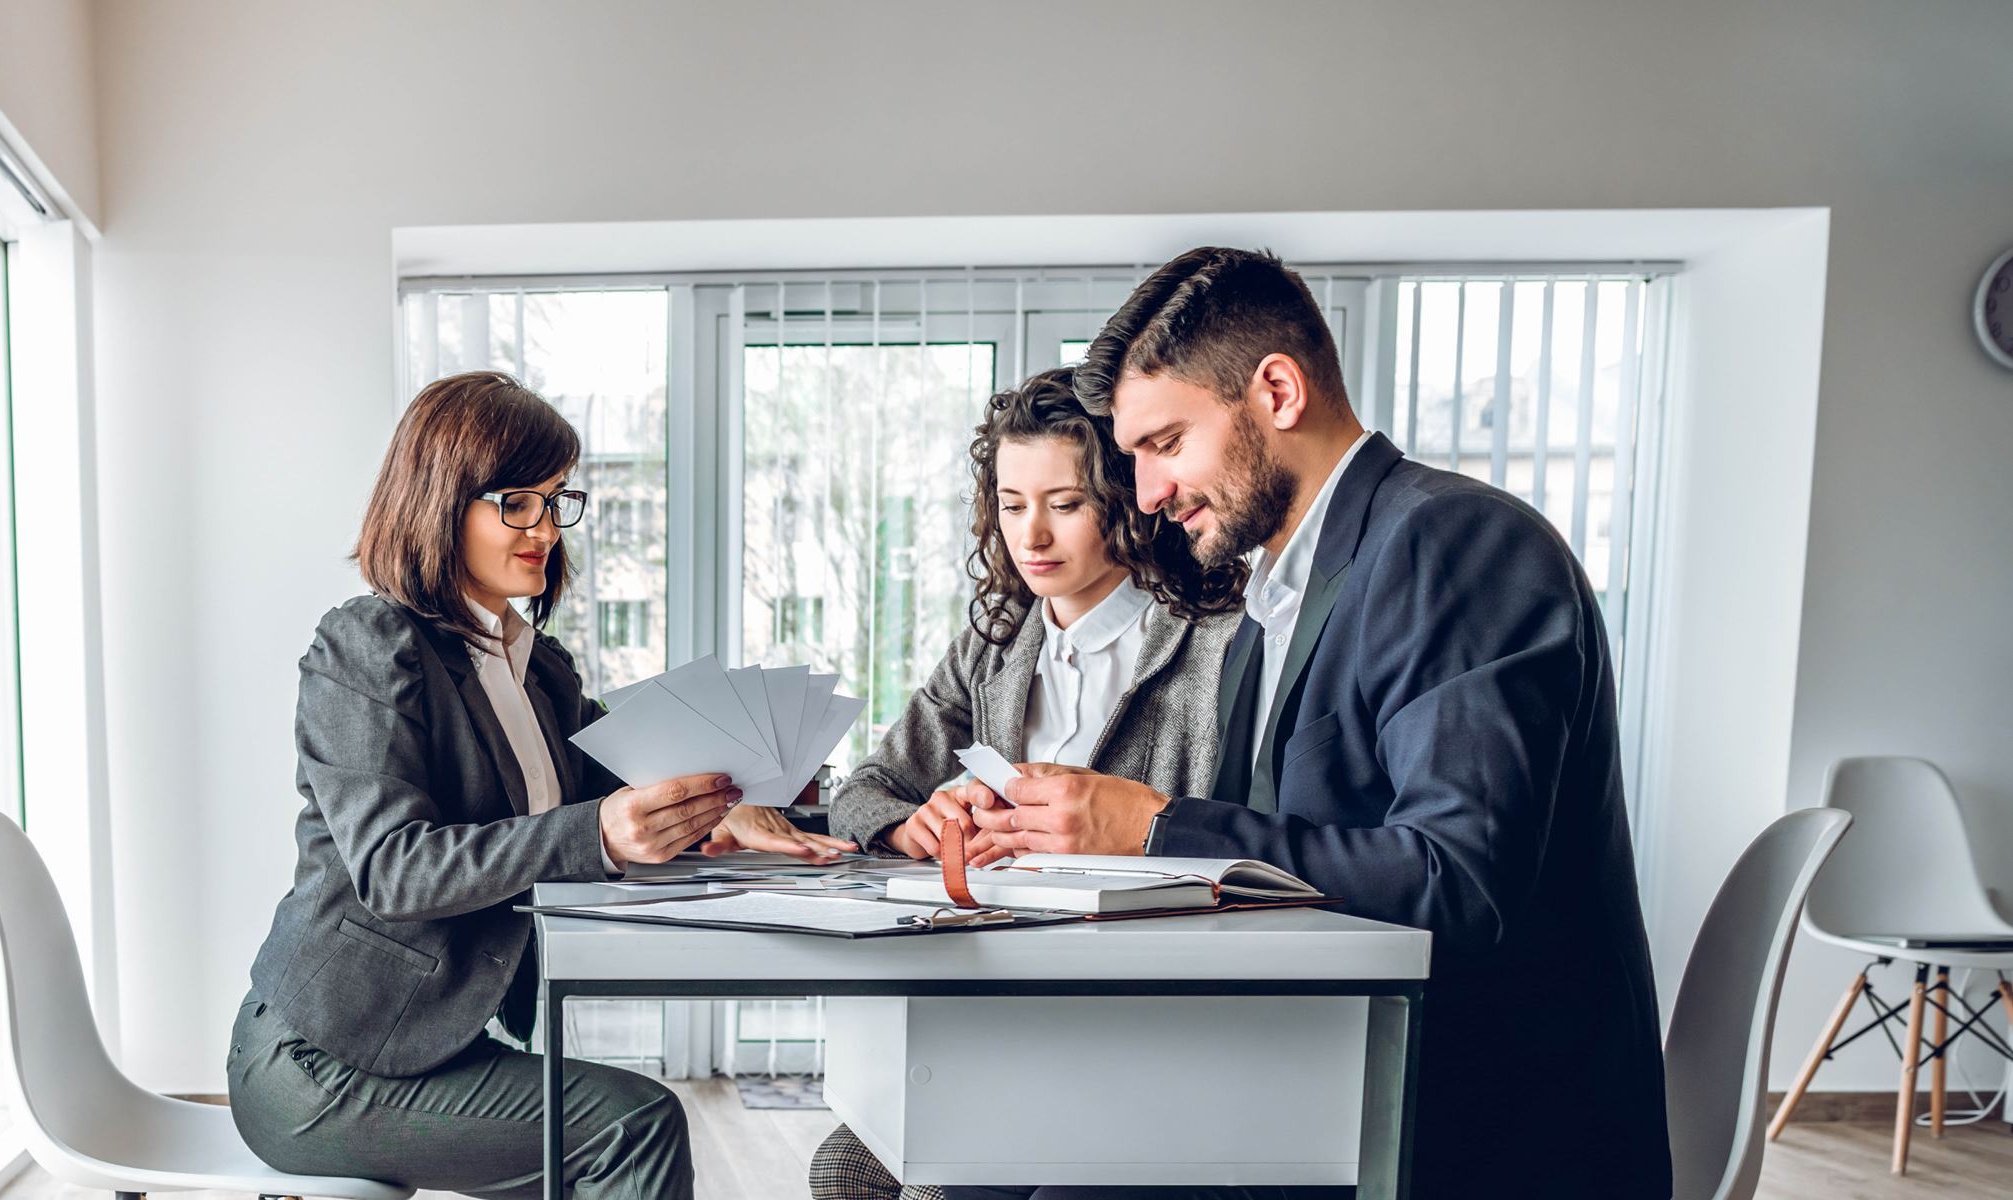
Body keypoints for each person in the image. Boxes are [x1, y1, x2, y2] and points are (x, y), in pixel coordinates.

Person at [944, 248, 1668, 1199]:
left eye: (1164, 443)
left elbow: (1459, 884)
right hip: (1311, 1072)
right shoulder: (1273, 606)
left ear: (1276, 391)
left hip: (1456, 1125)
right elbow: (1275, 866)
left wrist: (1154, 826)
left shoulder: (1452, 542)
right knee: (978, 1161)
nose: (1149, 493)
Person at [228, 371, 766, 1200]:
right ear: (440, 500)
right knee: (632, 1126)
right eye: (516, 501)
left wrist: (730, 809)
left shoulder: (538, 667)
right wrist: (598, 834)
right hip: (319, 1062)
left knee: (604, 1141)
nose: (545, 527)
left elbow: (616, 790)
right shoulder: (368, 645)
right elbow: (396, 868)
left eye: (556, 500)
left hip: (434, 1040)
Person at [741, 367, 1246, 1200]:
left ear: (1127, 501)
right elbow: (870, 784)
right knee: (844, 1169)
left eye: (1065, 503)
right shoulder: (996, 641)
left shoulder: (1211, 644)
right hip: (1005, 1007)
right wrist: (915, 827)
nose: (1031, 535)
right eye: (1011, 505)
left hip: (1141, 1020)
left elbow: (1235, 837)